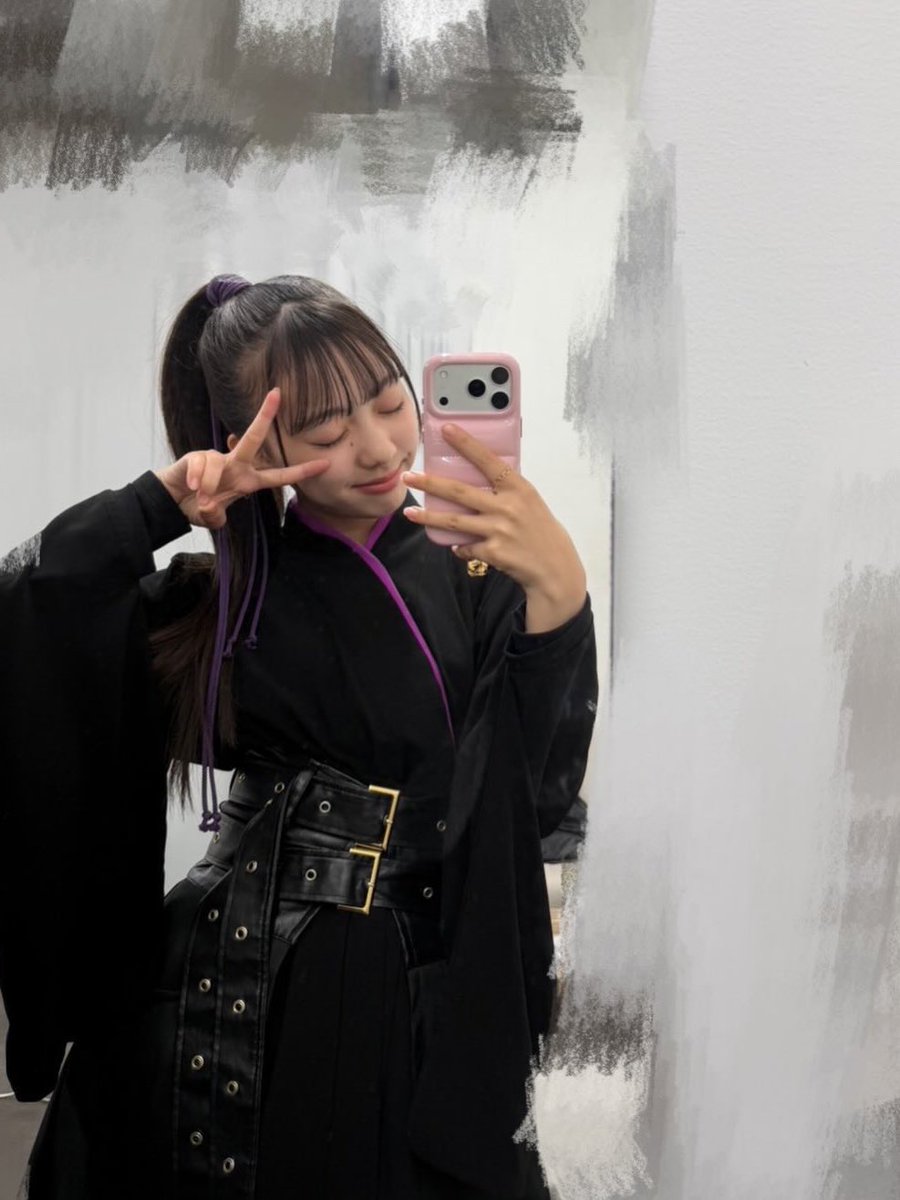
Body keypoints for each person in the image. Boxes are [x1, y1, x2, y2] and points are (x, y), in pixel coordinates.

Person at [0, 274, 598, 1199]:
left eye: (390, 403)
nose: (378, 447)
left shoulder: (482, 572)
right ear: (249, 440)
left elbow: (540, 799)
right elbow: (26, 608)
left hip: (428, 994)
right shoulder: (222, 605)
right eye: (324, 433)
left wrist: (560, 596)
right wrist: (156, 505)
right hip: (237, 994)